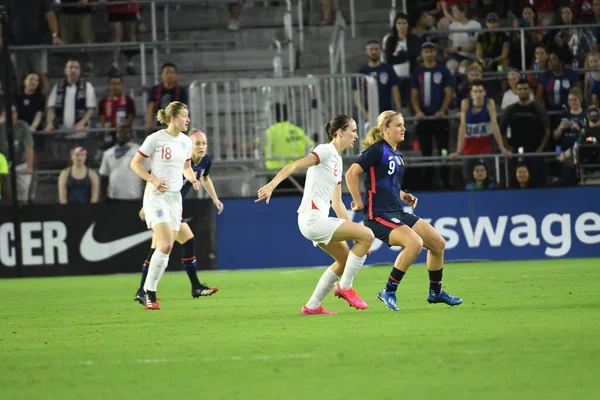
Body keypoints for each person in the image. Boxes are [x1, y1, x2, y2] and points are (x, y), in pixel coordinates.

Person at [256, 115, 375, 315]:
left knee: (345, 260)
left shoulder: (337, 159)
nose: (356, 135)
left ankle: (311, 306)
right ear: (339, 132)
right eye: (353, 131)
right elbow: (293, 166)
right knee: (369, 235)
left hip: (315, 220)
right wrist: (271, 185)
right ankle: (345, 288)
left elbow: (336, 203)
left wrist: (355, 234)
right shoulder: (325, 150)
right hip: (313, 220)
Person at [345, 110, 462, 312]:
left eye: (403, 124)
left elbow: (387, 183)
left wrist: (403, 195)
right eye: (398, 125)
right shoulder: (376, 150)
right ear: (385, 129)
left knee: (438, 243)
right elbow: (351, 173)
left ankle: (435, 292)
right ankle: (388, 291)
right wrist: (358, 202)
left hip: (397, 211)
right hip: (378, 215)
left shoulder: (397, 155)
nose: (403, 128)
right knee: (414, 243)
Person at [134, 129, 222, 303]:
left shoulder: (205, 161)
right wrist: (147, 206)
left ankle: (142, 291)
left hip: (174, 207)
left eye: (204, 143)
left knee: (160, 246)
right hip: (162, 204)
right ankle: (193, 287)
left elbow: (205, 178)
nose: (201, 146)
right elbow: (154, 177)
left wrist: (215, 198)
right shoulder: (178, 157)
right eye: (197, 143)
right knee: (180, 243)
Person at [130, 101, 200, 310]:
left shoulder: (186, 142)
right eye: (184, 116)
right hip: (156, 196)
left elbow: (186, 167)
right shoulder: (155, 139)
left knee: (165, 247)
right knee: (167, 243)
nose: (187, 120)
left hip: (174, 199)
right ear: (172, 118)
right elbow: (135, 163)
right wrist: (152, 180)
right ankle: (149, 293)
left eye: (188, 116)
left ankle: (147, 292)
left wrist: (193, 178)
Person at [451, 80, 509, 182]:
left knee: (490, 176)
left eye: (480, 91)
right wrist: (458, 151)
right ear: (471, 93)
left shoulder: (489, 103)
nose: (478, 94)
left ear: (484, 92)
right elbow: (462, 127)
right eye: (475, 91)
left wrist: (502, 148)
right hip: (468, 148)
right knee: (469, 177)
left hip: (485, 147)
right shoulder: (465, 103)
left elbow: (495, 126)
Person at [99, 127, 147, 201]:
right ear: (116, 135)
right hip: (113, 197)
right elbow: (104, 177)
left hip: (134, 197)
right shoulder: (108, 153)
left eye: (125, 132)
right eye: (120, 132)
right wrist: (102, 197)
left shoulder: (141, 152)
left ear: (131, 134)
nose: (122, 134)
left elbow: (148, 175)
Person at [0, 106, 35, 205]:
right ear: (3, 114)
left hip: (21, 164)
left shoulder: (22, 126)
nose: (11, 114)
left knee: (23, 197)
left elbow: (29, 147)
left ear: (17, 114)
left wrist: (29, 166)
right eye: (8, 112)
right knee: (11, 196)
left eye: (13, 112)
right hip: (5, 165)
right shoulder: (1, 128)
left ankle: (25, 213)